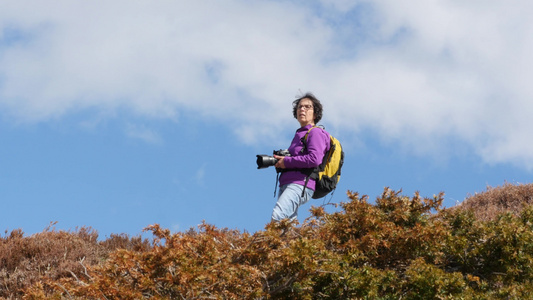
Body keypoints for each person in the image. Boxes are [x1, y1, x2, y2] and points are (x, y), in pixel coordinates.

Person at [271, 93, 330, 222]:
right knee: (287, 224)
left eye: (307, 107)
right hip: (288, 183)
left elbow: (314, 159)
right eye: (299, 107)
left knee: (278, 216)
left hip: (301, 183)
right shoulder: (299, 134)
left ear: (315, 114)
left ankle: (270, 243)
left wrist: (286, 162)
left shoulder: (316, 132)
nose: (302, 109)